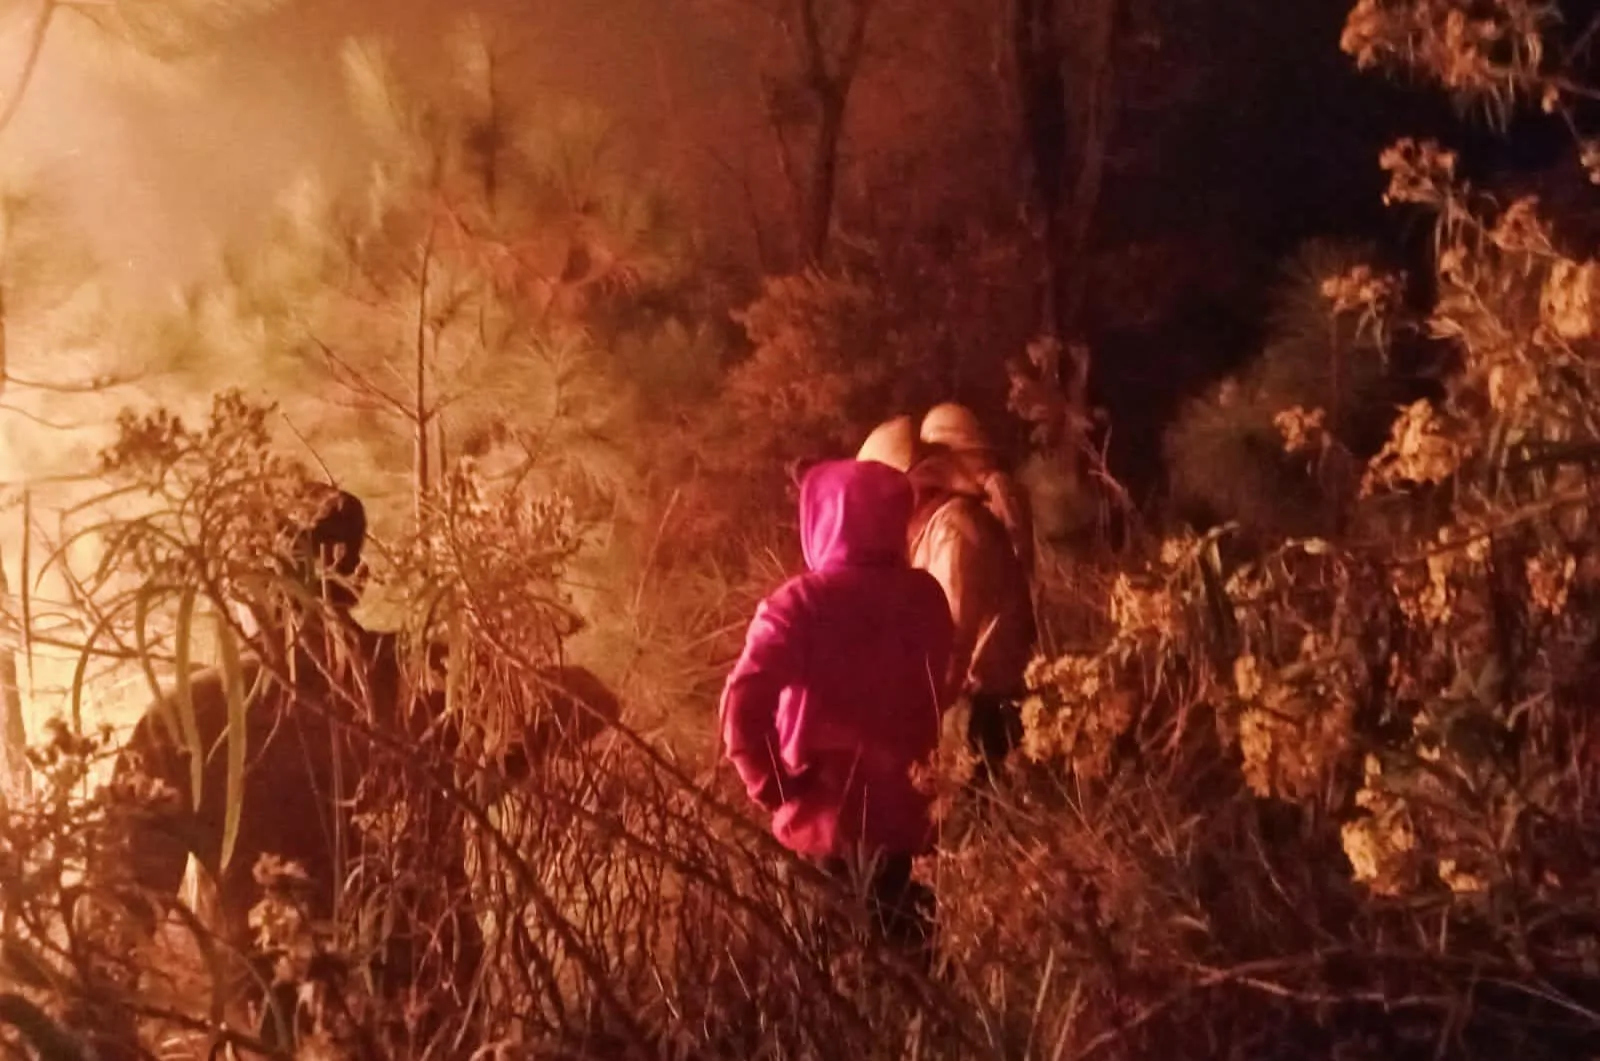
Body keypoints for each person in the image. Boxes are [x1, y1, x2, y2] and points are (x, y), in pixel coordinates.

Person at [720, 458, 954, 954]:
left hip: (824, 827)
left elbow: (742, 705)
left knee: (830, 984)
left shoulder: (800, 603)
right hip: (908, 822)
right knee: (910, 978)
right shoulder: (927, 598)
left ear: (820, 517)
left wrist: (773, 784)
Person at [857, 411, 1037, 785]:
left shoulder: (954, 531)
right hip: (973, 703)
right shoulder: (936, 529)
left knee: (978, 822)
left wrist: (915, 723)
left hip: (989, 712)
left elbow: (950, 642)